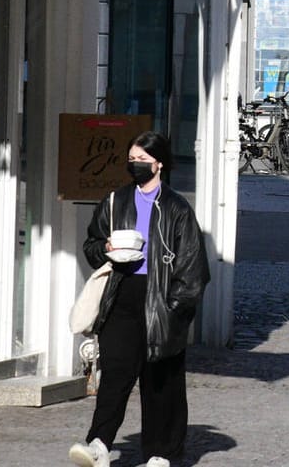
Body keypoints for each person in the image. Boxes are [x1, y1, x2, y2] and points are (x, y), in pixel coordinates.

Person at [70, 133, 210, 467]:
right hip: (122, 293)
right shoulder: (116, 201)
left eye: (142, 160)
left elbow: (193, 266)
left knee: (160, 381)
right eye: (131, 158)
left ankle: (161, 454)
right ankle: (99, 444)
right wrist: (105, 248)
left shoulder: (177, 208)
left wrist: (176, 309)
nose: (135, 165)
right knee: (115, 375)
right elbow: (91, 244)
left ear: (158, 163)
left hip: (161, 299)